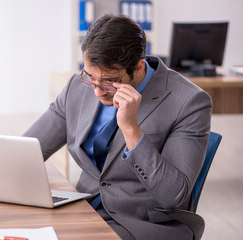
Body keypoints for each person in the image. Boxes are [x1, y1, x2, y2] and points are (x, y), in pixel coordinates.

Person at [23, 14, 212, 240]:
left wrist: (132, 131)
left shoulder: (189, 102)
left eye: (109, 80)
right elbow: (30, 149)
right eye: (91, 76)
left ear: (139, 67)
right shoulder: (77, 86)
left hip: (143, 223)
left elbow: (174, 195)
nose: (97, 91)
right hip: (85, 208)